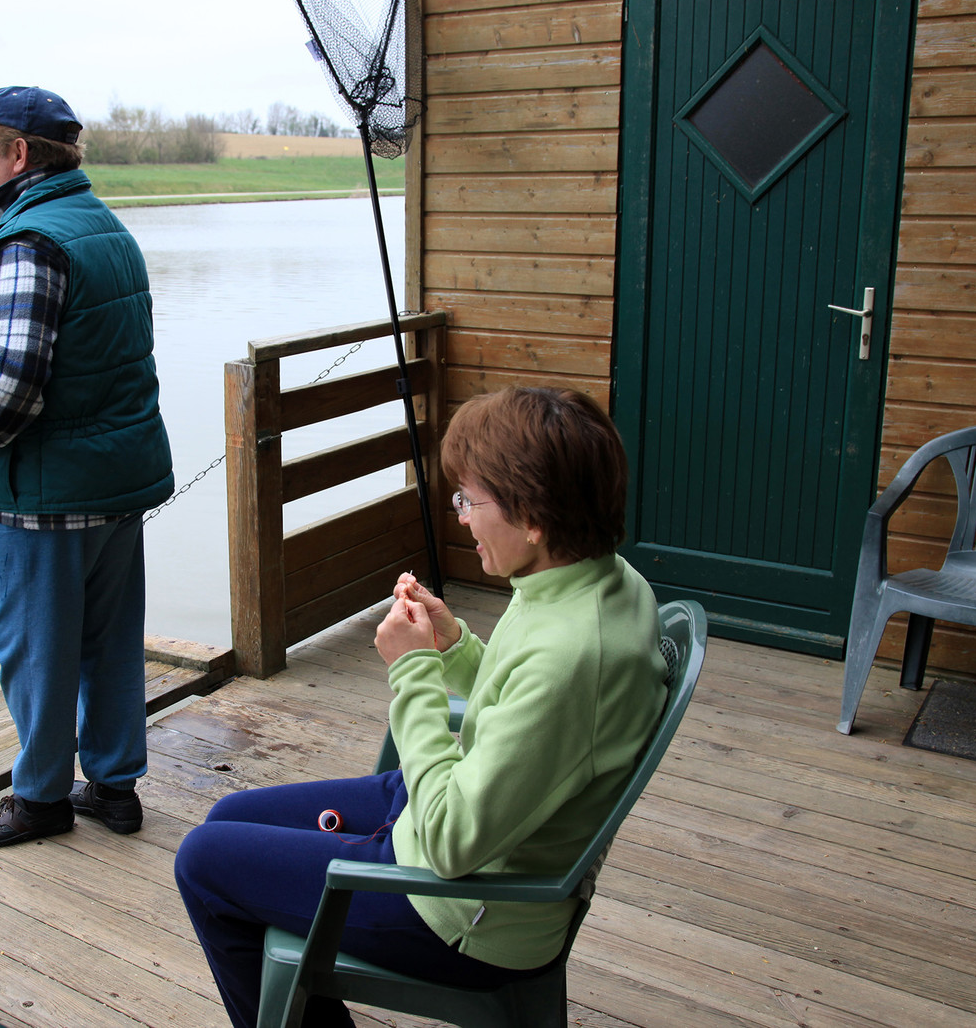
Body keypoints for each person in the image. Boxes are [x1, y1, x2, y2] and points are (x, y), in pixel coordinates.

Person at [173, 386, 667, 1028]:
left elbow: (448, 843)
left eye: (470, 500)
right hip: (457, 812)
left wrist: (413, 669)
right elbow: (525, 706)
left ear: (534, 517)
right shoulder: (589, 581)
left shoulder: (575, 654)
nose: (460, 516)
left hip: (460, 910)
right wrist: (453, 646)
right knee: (230, 812)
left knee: (203, 864)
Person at [0, 85, 173, 849]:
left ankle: (40, 799)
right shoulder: (99, 225)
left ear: (17, 154)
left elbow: (12, 386)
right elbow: (77, 324)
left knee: (35, 646)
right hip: (116, 484)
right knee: (110, 640)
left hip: (48, 494)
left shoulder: (26, 242)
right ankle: (115, 788)